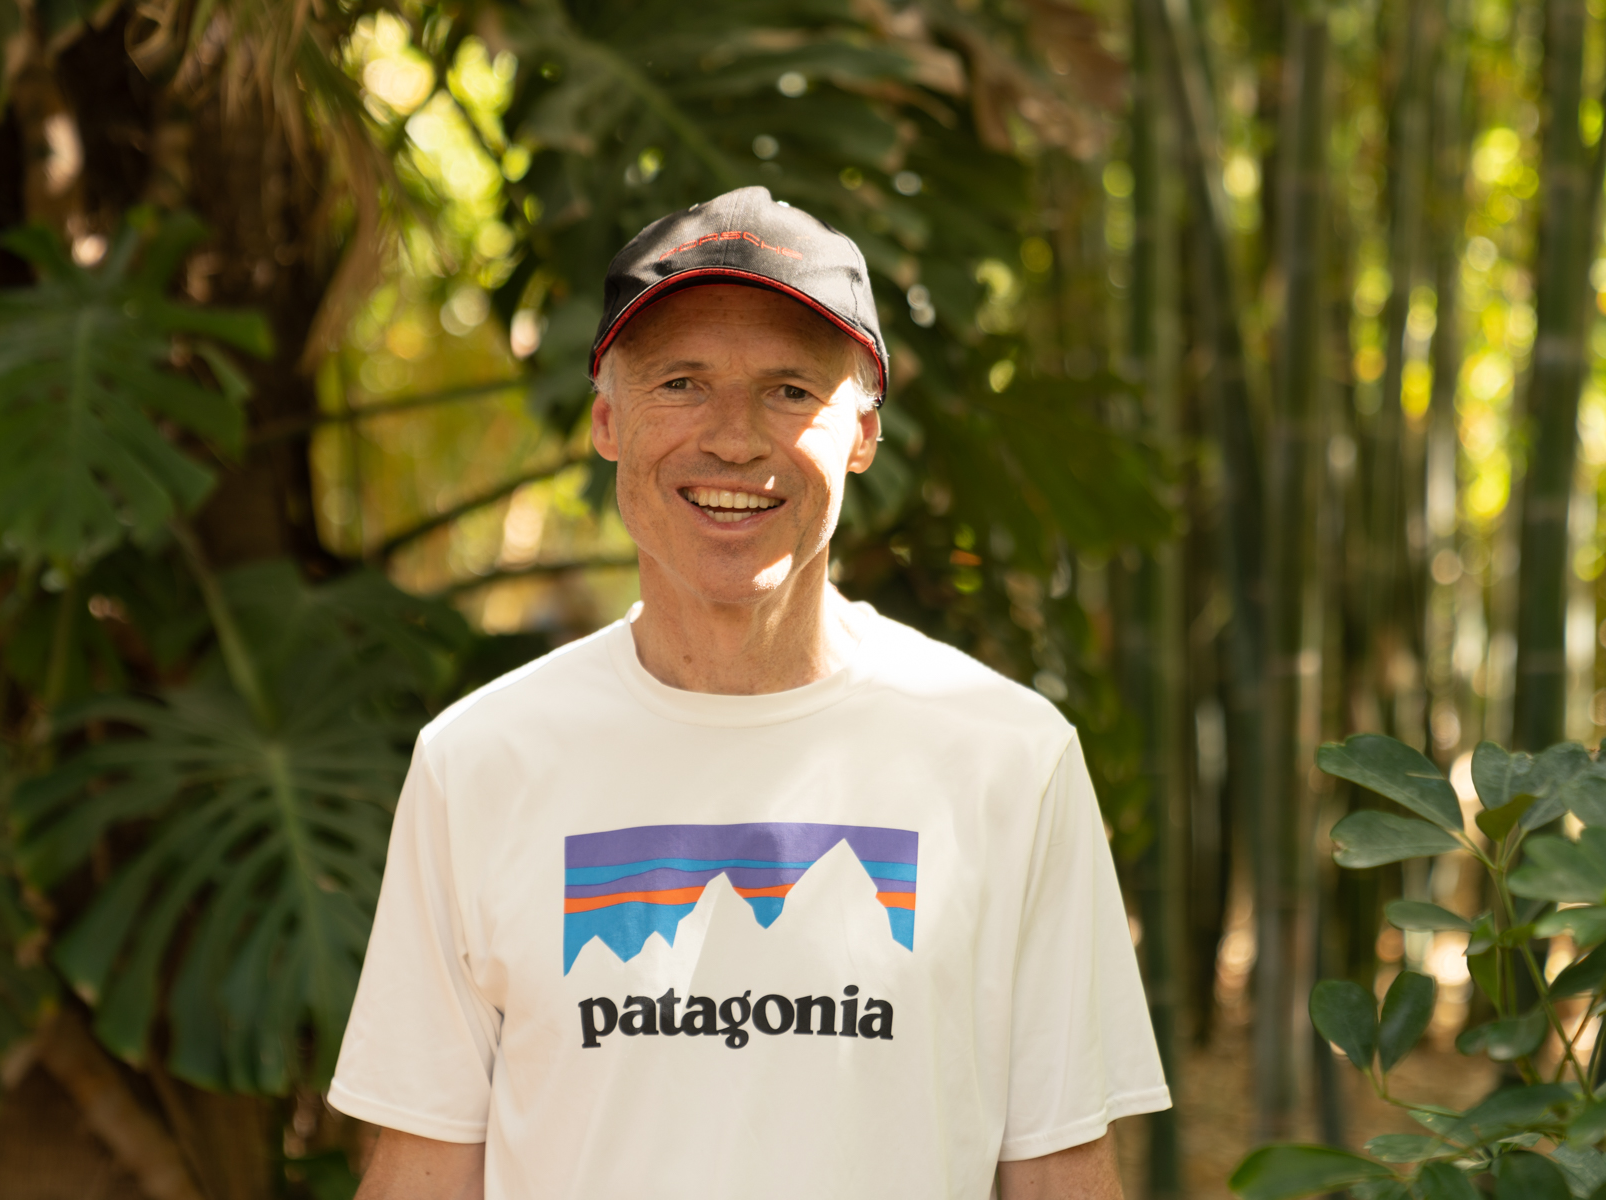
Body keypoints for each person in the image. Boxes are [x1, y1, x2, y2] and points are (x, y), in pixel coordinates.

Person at [330, 186, 1170, 1199]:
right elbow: (422, 1170)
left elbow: (1061, 1170)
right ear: (607, 420)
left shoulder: (1007, 757)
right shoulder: (480, 761)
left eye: (789, 390)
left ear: (862, 433)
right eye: (681, 383)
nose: (732, 439)